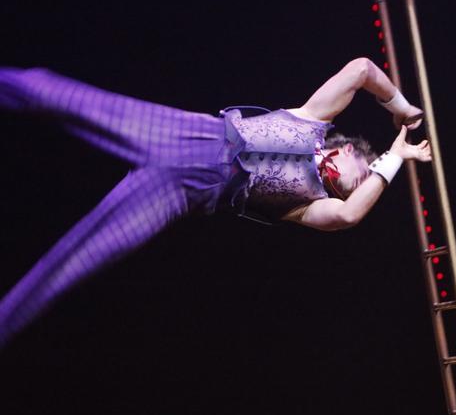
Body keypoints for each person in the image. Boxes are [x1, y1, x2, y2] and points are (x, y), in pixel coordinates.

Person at [0, 58, 430, 347]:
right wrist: (398, 105)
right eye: (357, 176)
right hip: (193, 135)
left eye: (350, 188)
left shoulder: (311, 204)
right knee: (57, 94)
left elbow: (350, 215)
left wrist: (395, 160)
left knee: (74, 261)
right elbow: (361, 69)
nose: (345, 186)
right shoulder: (313, 119)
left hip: (186, 191)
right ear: (347, 150)